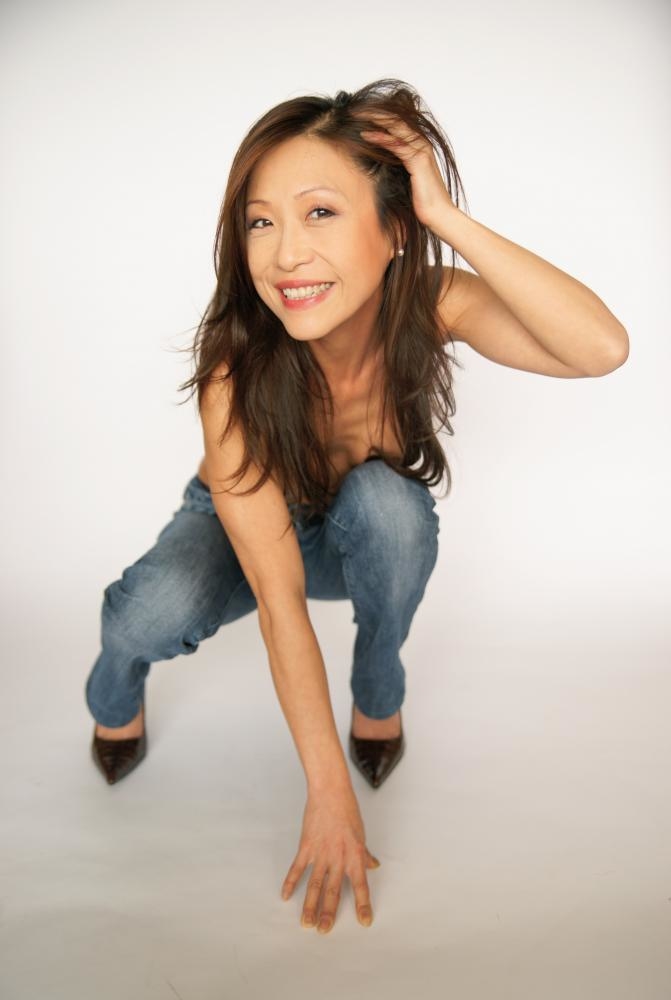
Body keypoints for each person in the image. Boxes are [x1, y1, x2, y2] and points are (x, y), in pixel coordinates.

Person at [83, 78, 629, 935]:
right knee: (146, 615)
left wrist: (442, 216)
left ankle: (378, 688)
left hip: (356, 528)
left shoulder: (428, 300)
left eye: (320, 213)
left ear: (391, 230)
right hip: (244, 528)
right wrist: (328, 791)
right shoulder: (234, 370)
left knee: (389, 507)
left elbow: (599, 348)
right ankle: (112, 696)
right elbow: (279, 603)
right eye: (261, 222)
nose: (285, 255)